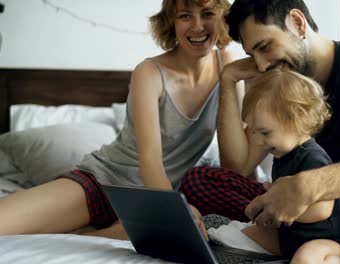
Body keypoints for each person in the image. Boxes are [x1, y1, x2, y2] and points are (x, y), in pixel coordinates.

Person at [179, 0, 340, 261]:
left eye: (264, 47)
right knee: (199, 181)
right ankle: (316, 246)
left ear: (297, 22)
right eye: (251, 55)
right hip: (306, 214)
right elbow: (238, 168)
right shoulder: (278, 83)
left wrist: (306, 187)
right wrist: (227, 80)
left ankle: (314, 245)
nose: (260, 65)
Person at [0, 0, 232, 239]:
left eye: (207, 14)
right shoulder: (149, 72)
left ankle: (90, 235)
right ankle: (97, 231)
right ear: (170, 22)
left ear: (224, 17)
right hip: (106, 183)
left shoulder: (228, 67)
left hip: (155, 202)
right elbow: (150, 161)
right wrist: (175, 211)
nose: (197, 26)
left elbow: (236, 164)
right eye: (185, 16)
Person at [239, 69, 340, 263]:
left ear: (297, 120)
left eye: (264, 132)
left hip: (322, 241)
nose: (257, 141)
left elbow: (323, 210)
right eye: (253, 132)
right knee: (241, 236)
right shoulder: (282, 155)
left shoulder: (313, 158)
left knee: (304, 259)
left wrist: (280, 209)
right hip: (291, 238)